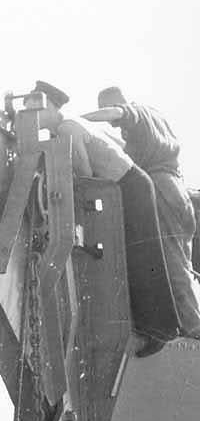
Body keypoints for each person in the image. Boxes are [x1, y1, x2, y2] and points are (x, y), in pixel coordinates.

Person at [34, 80, 200, 354]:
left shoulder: (123, 114)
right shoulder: (155, 119)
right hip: (175, 189)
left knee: (154, 261)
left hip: (155, 188)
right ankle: (178, 325)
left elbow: (86, 174)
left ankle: (175, 330)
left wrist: (80, 120)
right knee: (177, 262)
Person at [86, 87, 197, 270]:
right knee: (185, 266)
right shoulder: (152, 117)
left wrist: (79, 121)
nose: (110, 123)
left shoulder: (132, 113)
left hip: (161, 190)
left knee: (175, 273)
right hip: (178, 192)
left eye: (102, 108)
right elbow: (130, 149)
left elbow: (117, 112)